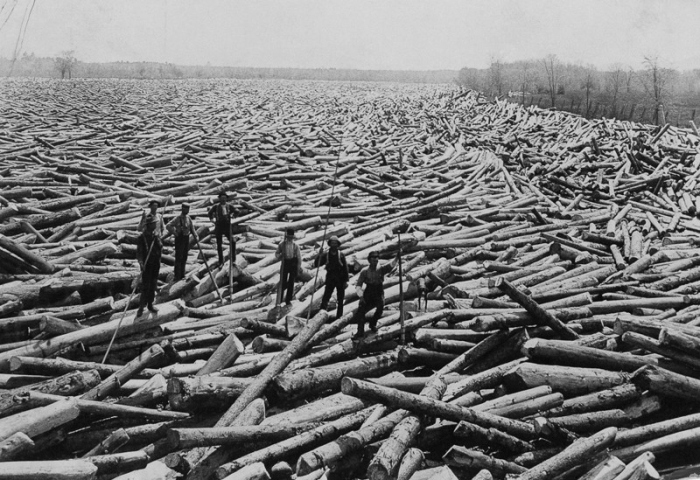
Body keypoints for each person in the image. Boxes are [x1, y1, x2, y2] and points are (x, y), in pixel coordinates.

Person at [352, 251, 398, 339]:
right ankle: (360, 332)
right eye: (373, 261)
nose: (375, 263)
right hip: (369, 291)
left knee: (380, 308)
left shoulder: (381, 268)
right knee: (361, 311)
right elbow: (358, 285)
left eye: (376, 261)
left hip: (378, 290)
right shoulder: (364, 271)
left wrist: (397, 257)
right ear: (369, 261)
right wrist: (361, 296)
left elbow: (391, 265)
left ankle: (372, 324)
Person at [136, 214, 163, 317]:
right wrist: (141, 263)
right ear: (149, 225)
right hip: (146, 265)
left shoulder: (155, 235)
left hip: (155, 264)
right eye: (154, 224)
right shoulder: (142, 237)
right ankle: (141, 307)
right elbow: (138, 252)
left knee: (153, 285)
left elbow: (160, 247)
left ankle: (150, 304)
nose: (156, 225)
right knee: (145, 286)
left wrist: (157, 239)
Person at [316, 235, 349, 318]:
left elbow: (345, 268)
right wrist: (319, 255)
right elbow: (317, 264)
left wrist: (346, 281)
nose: (334, 245)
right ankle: (321, 315)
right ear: (330, 244)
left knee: (340, 299)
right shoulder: (326, 255)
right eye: (332, 243)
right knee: (326, 298)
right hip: (330, 278)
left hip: (340, 279)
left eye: (335, 243)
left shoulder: (341, 255)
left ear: (337, 244)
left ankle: (339, 317)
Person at [165, 203, 194, 281]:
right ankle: (177, 276)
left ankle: (182, 274)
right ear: (182, 209)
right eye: (185, 209)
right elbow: (168, 225)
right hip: (179, 239)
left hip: (186, 238)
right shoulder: (177, 218)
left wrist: (195, 235)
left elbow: (192, 228)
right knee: (178, 257)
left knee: (184, 257)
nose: (187, 210)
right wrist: (174, 232)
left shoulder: (188, 218)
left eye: (188, 209)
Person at [208, 191, 237, 265]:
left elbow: (237, 211)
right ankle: (221, 261)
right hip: (219, 226)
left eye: (225, 198)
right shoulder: (216, 206)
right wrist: (212, 220)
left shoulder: (229, 206)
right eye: (222, 198)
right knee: (219, 244)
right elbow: (210, 213)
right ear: (219, 199)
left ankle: (233, 259)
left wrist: (233, 215)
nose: (223, 200)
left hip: (227, 226)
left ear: (226, 199)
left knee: (232, 242)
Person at [275, 228, 302, 305]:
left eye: (291, 237)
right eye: (289, 237)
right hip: (285, 263)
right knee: (283, 281)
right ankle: (279, 299)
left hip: (293, 263)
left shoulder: (295, 245)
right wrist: (280, 255)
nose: (290, 239)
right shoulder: (282, 244)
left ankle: (288, 300)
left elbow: (299, 257)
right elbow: (276, 254)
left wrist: (298, 267)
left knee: (291, 282)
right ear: (286, 237)